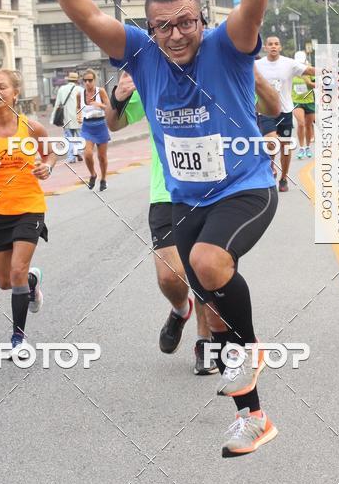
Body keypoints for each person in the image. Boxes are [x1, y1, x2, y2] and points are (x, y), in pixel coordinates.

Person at [43, 0, 279, 458]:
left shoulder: (227, 46)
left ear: (203, 21)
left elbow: (250, 11)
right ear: (149, 29)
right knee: (212, 308)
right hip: (185, 201)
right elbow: (87, 17)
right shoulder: (141, 55)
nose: (177, 36)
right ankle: (254, 417)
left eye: (187, 23)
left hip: (245, 188)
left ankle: (250, 350)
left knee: (206, 265)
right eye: (164, 26)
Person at [106, 66, 281, 376]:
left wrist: (266, 141)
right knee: (170, 276)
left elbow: (266, 108)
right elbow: (114, 123)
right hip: (169, 193)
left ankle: (206, 341)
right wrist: (118, 97)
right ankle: (180, 310)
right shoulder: (154, 78)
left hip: (222, 189)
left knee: (205, 267)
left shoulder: (221, 70)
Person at [0, 70, 56, 356]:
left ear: (15, 93)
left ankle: (18, 338)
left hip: (29, 206)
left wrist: (47, 167)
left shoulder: (31, 127)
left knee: (16, 270)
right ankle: (31, 282)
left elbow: (50, 153)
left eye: (1, 87)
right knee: (6, 281)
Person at [256, 37, 316, 192]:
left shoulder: (289, 63)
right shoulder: (257, 65)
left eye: (276, 44)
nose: (273, 46)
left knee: (286, 148)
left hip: (286, 110)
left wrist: (333, 71)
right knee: (271, 142)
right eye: (270, 44)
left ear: (280, 47)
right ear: (266, 47)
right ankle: (271, 169)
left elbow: (309, 71)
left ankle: (283, 178)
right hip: (266, 111)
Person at [77, 69, 111, 192]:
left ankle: (103, 179)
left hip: (101, 125)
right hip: (87, 127)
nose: (87, 83)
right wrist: (78, 116)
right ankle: (93, 174)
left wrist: (99, 104)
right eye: (85, 80)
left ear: (94, 80)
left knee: (102, 157)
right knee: (87, 154)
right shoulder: (80, 94)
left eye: (90, 80)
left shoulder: (100, 91)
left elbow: (109, 107)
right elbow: (78, 108)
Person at [51, 71, 83, 164]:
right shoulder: (80, 89)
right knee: (79, 137)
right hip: (78, 117)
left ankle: (71, 157)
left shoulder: (62, 89)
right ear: (77, 80)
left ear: (68, 80)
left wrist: (53, 117)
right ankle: (77, 151)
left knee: (68, 138)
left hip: (66, 118)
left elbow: (57, 104)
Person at [291, 50, 315, 159]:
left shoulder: (310, 71)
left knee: (309, 126)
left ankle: (307, 147)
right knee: (301, 124)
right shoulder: (291, 71)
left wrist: (309, 82)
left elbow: (317, 84)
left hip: (309, 101)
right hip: (297, 101)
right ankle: (301, 148)